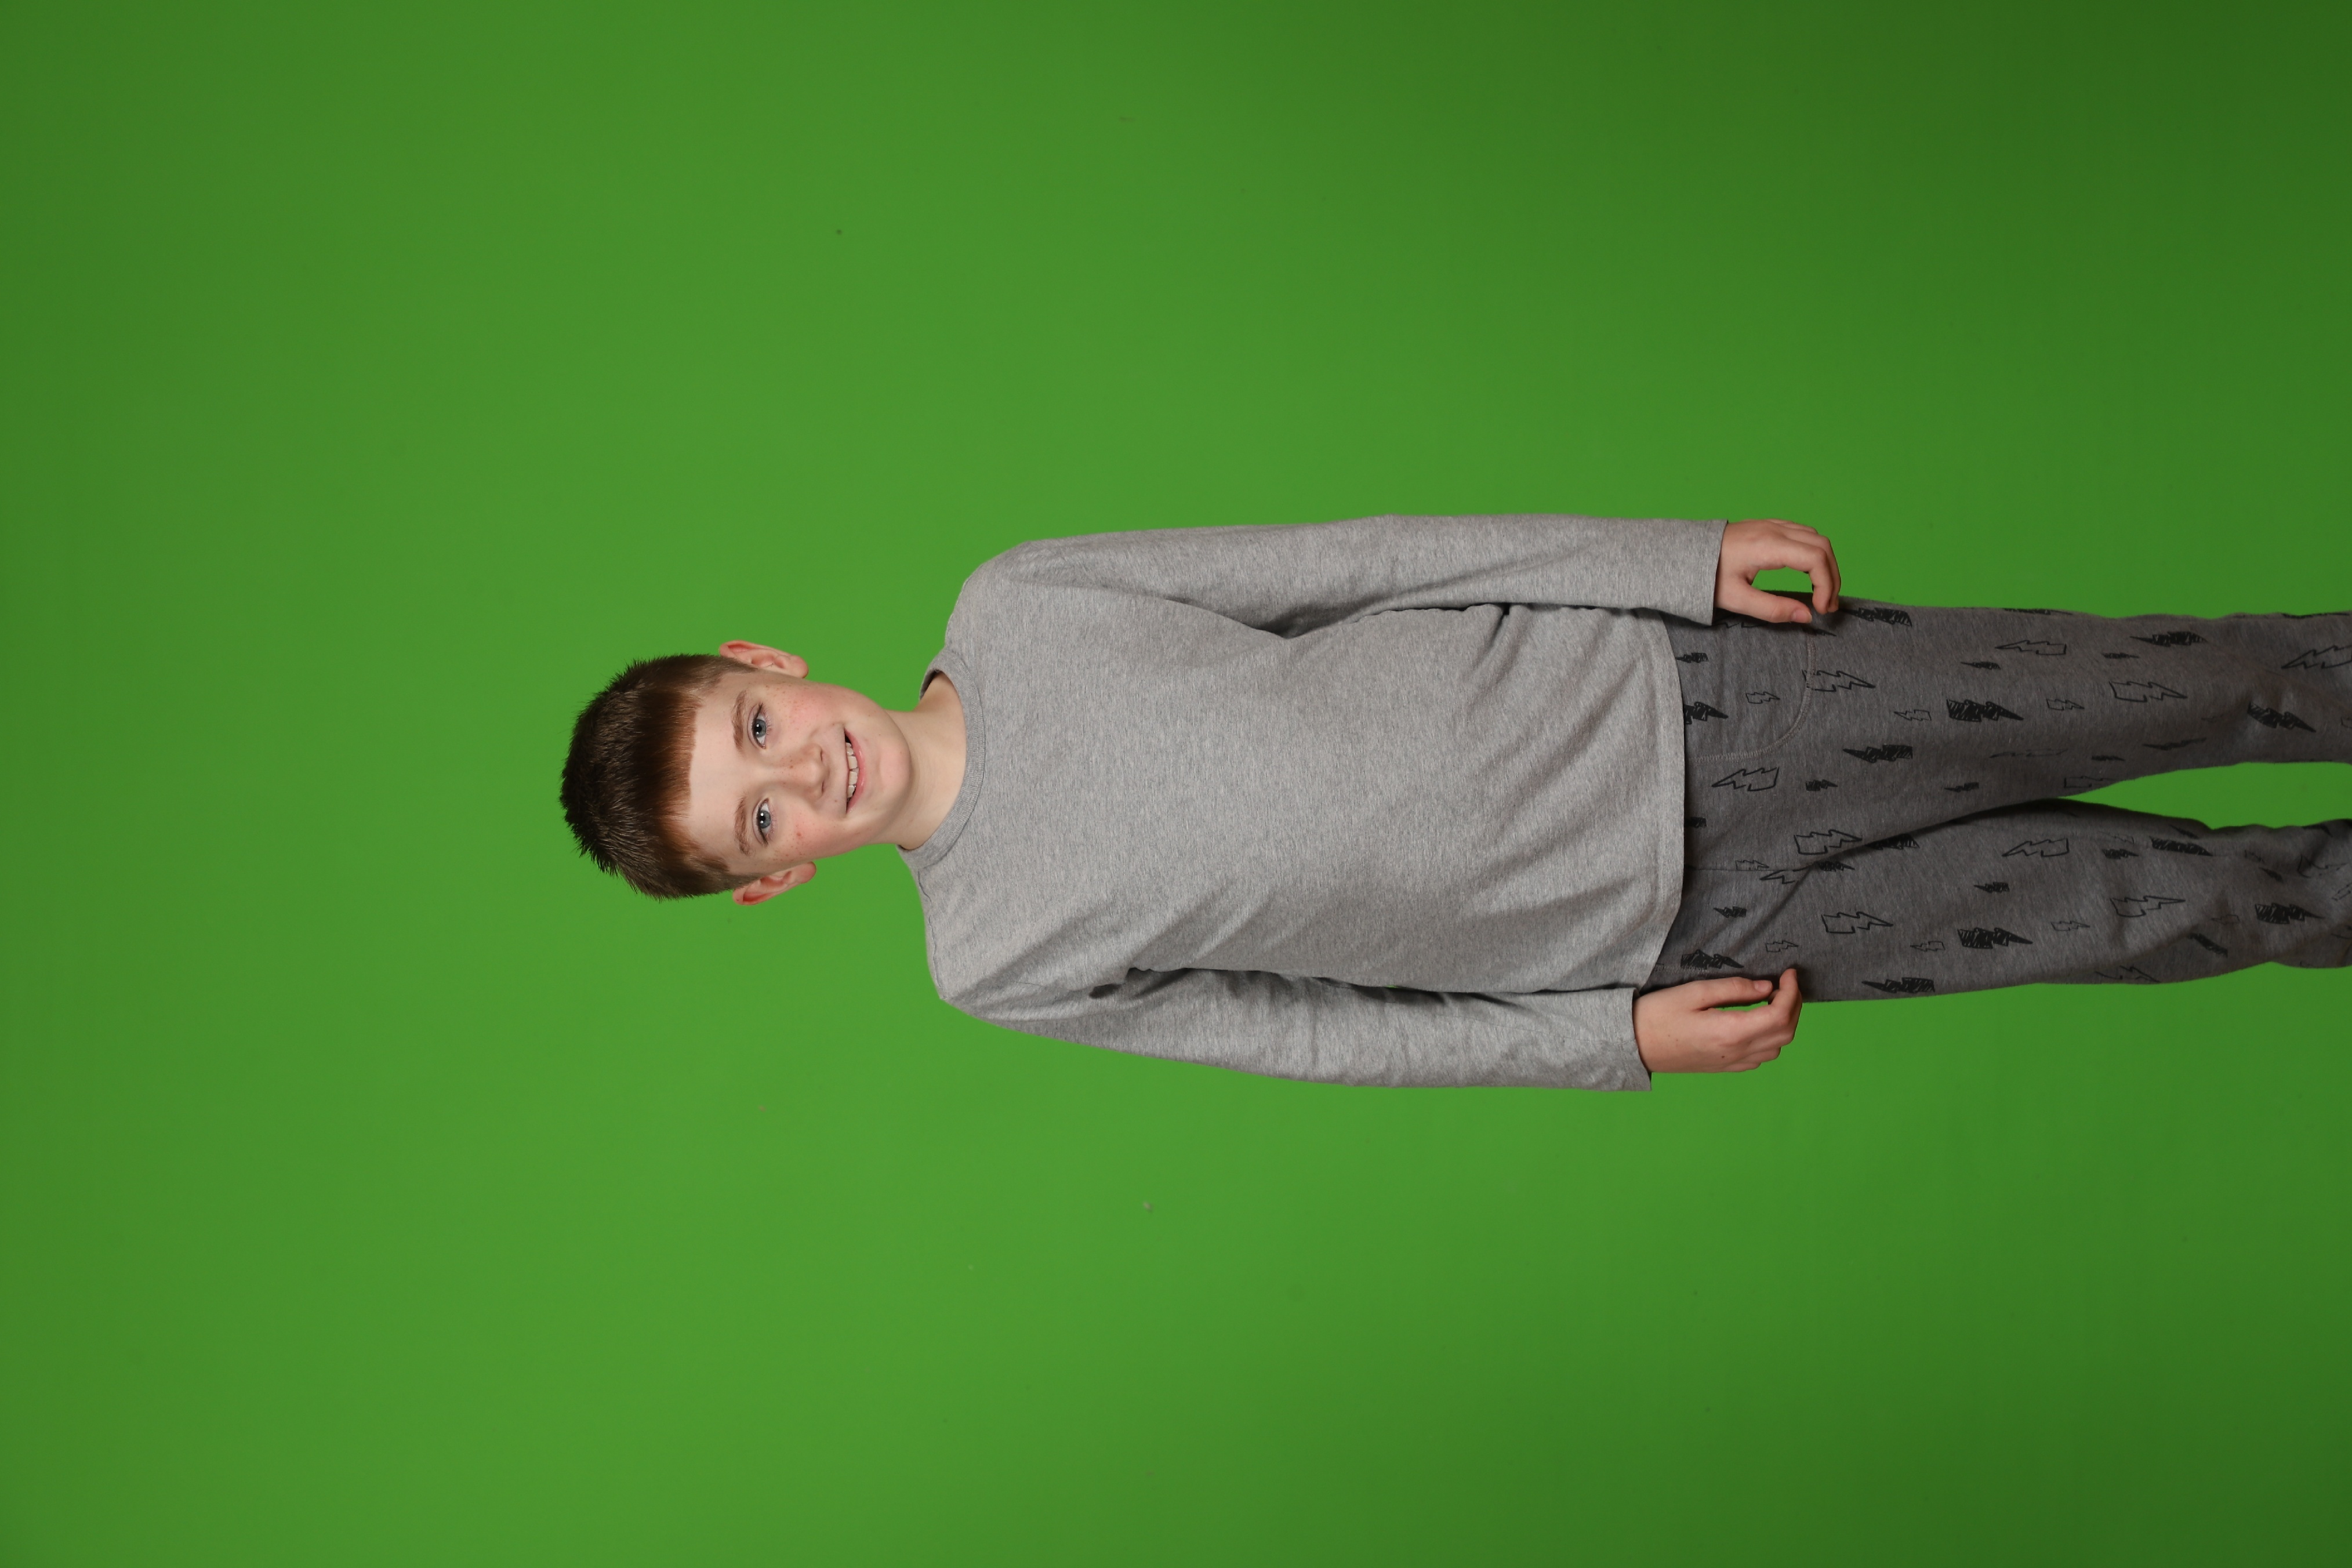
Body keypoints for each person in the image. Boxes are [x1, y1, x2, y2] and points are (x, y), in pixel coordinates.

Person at [559, 516, 2351, 1089]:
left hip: (1694, 691)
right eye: (760, 819)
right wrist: (1610, 1042)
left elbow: (1361, 559)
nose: (801, 770)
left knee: (2191, 683)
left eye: (757, 727)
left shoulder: (1022, 601)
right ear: (772, 884)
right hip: (1686, 926)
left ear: (765, 661)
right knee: (2174, 910)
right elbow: (1318, 1038)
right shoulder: (993, 960)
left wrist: (1669, 561)